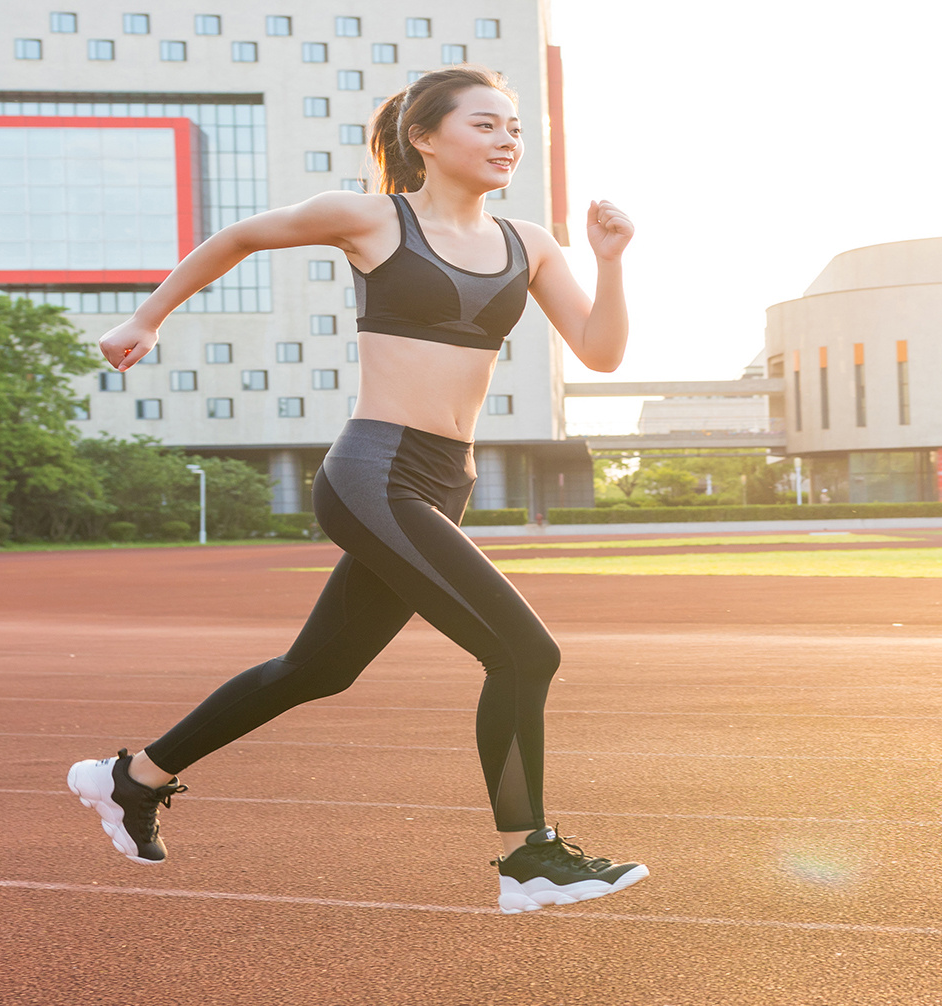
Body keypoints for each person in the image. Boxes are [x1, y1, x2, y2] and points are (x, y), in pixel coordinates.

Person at [66, 66, 647, 915]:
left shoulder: (531, 243)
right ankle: (532, 857)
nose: (506, 141)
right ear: (425, 138)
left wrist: (611, 263)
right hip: (375, 471)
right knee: (524, 652)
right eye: (485, 125)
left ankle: (134, 777)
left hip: (444, 480)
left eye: (513, 128)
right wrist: (147, 317)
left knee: (319, 668)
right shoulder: (374, 217)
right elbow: (239, 237)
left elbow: (600, 352)